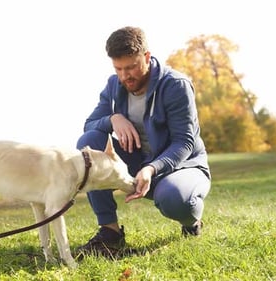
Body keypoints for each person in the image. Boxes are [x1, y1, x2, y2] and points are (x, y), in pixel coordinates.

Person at [75, 26, 211, 257]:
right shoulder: (114, 85)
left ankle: (191, 222)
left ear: (146, 57)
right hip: (138, 163)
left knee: (177, 201)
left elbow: (184, 142)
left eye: (131, 67)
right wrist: (113, 119)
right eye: (118, 68)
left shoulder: (175, 85)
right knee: (89, 143)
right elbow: (90, 125)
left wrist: (152, 168)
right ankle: (110, 232)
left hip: (181, 167)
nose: (125, 76)